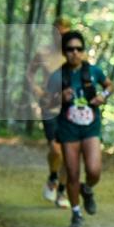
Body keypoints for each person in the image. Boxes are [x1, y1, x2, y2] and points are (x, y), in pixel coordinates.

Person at [45, 30, 113, 227]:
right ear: (64, 52)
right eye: (70, 49)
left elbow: (109, 85)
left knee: (94, 170)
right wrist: (59, 98)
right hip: (68, 130)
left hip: (91, 128)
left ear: (83, 51)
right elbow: (46, 102)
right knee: (72, 173)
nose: (75, 53)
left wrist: (103, 96)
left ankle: (88, 189)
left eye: (78, 49)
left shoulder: (94, 71)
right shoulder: (57, 76)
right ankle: (76, 213)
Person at [25, 16, 71, 208]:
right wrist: (36, 89)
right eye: (57, 33)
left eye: (64, 33)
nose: (60, 37)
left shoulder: (76, 55)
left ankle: (61, 191)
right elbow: (29, 74)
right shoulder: (43, 54)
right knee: (56, 149)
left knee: (69, 153)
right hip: (49, 106)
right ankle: (53, 178)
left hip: (69, 108)